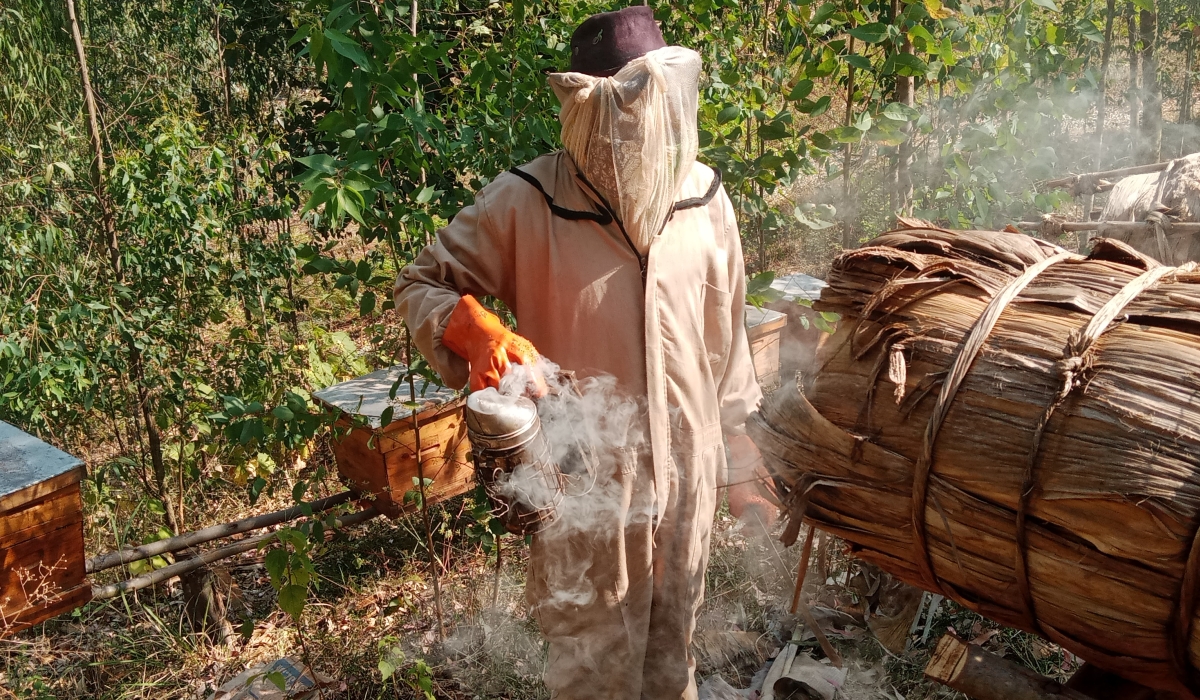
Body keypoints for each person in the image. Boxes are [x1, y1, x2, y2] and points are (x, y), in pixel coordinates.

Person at [395, 6, 767, 698]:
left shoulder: (705, 197)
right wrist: (474, 333)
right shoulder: (528, 200)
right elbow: (421, 284)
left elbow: (727, 334)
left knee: (672, 664)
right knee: (592, 674)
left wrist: (739, 455)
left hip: (687, 479)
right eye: (617, 108)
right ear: (582, 109)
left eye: (643, 104)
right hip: (582, 488)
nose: (631, 126)